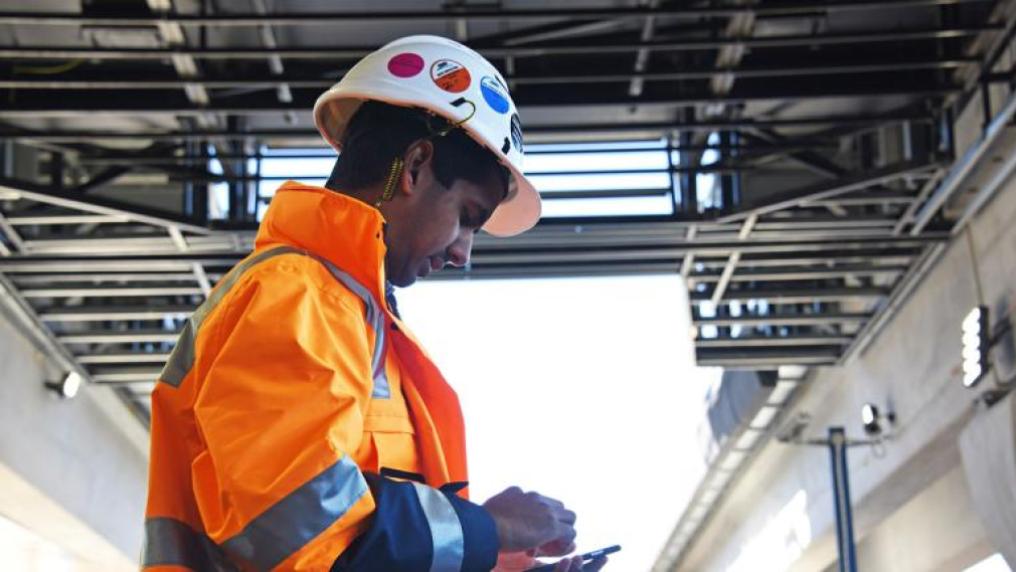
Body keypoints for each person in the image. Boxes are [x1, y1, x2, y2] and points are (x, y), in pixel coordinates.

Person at [141, 35, 607, 572]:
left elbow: (348, 542)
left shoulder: (350, 317)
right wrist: (489, 528)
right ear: (414, 167)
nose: (463, 253)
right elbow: (295, 528)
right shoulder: (295, 296)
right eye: (466, 217)